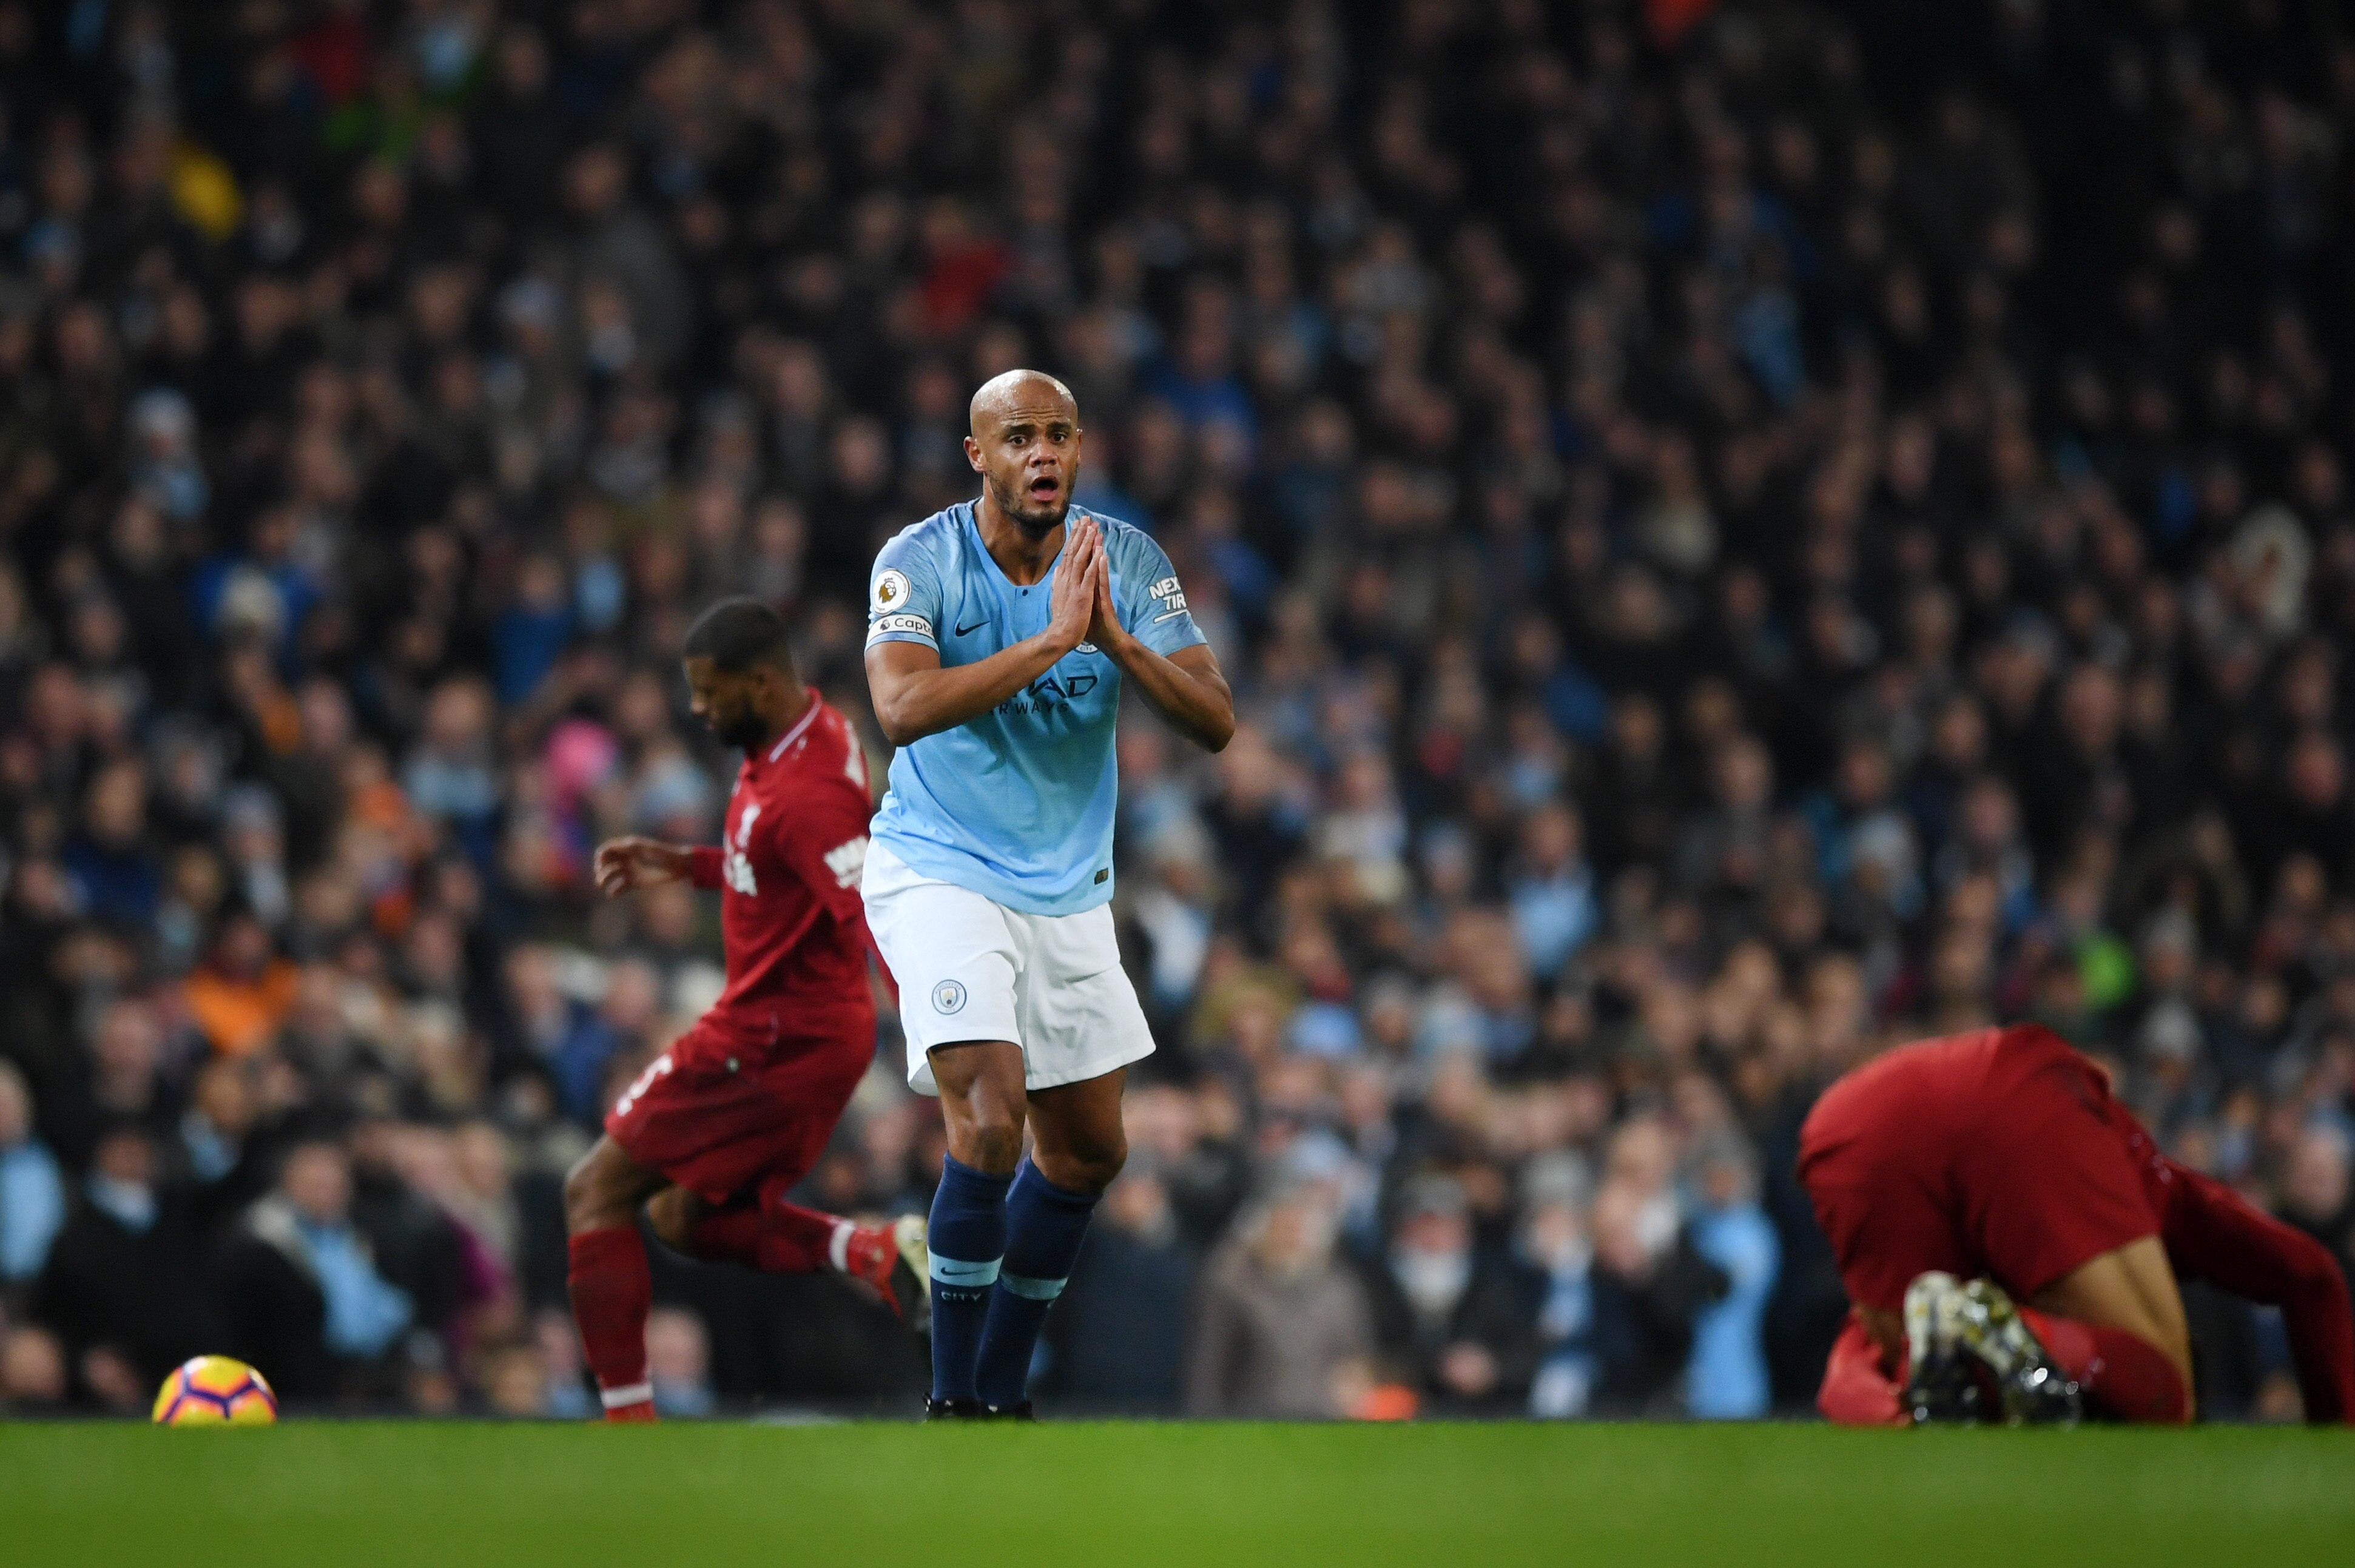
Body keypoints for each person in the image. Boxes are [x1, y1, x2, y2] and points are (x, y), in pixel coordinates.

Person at [862, 369, 1234, 1418]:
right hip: (939, 865)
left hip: (1067, 889)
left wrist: (1116, 643)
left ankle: (998, 1386)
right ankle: (954, 1400)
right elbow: (899, 707)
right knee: (988, 1116)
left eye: (1059, 435)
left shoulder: (1124, 561)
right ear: (976, 453)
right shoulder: (920, 560)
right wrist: (1048, 646)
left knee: (1088, 1152)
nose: (1043, 454)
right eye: (1018, 436)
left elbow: (1213, 720)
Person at [562, 598, 926, 1423]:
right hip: (798, 1030)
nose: (698, 707)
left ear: (760, 682)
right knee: (680, 1216)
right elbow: (776, 870)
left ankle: (628, 1433)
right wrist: (685, 864)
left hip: (772, 1036)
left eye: (710, 690)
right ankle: (868, 1250)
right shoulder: (811, 731)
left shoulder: (806, 794)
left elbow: (868, 905)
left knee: (592, 1191)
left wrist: (930, 1029)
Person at [1801, 1022, 2355, 1425]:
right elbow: (2313, 1272)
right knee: (2167, 1393)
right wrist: (2339, 1438)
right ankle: (2012, 1331)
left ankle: (1942, 1381)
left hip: (1846, 1121)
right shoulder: (2157, 1187)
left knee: (1912, 1355)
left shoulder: (2127, 1184)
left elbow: (2313, 1276)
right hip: (2021, 1089)